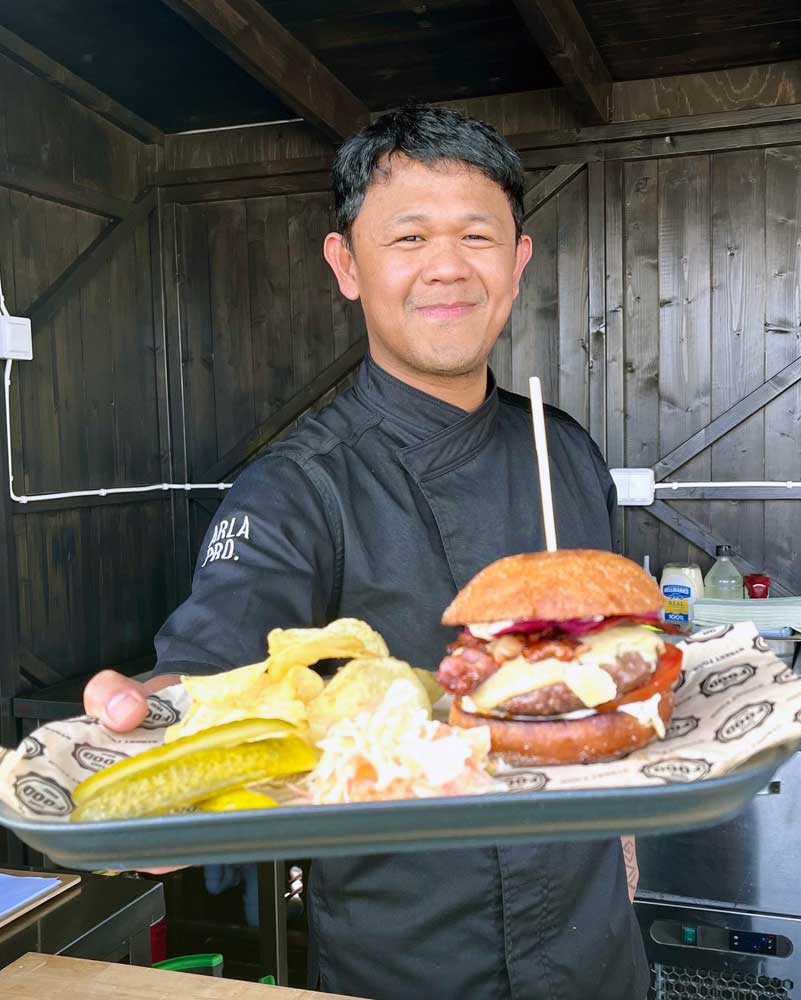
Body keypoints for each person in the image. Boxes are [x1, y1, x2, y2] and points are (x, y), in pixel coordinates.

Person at [83, 103, 649, 1000]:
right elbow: (214, 662)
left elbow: (606, 677)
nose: (448, 267)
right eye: (409, 236)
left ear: (518, 262)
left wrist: (623, 849)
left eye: (478, 235)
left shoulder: (565, 450)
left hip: (596, 954)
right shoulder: (297, 487)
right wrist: (152, 726)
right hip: (410, 957)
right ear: (346, 266)